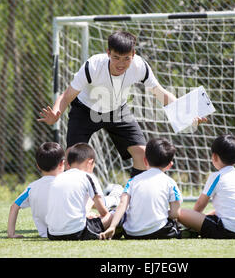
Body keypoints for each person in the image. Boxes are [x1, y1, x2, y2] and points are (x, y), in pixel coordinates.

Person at [38, 31, 206, 178]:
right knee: (74, 160)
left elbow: (160, 93)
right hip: (85, 110)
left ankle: (132, 200)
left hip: (117, 110)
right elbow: (67, 95)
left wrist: (187, 113)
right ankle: (78, 208)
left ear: (133, 54)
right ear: (108, 53)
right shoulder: (94, 66)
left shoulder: (140, 66)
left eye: (126, 58)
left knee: (143, 154)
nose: (121, 63)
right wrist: (56, 112)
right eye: (116, 57)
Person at [99, 138, 182, 240]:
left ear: (145, 161)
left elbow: (122, 204)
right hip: (160, 232)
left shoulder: (132, 181)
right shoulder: (170, 183)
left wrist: (112, 226)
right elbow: (175, 213)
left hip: (131, 234)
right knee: (177, 224)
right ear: (170, 165)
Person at [177, 134, 235, 239]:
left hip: (226, 231)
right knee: (212, 213)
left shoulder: (217, 176)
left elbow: (200, 205)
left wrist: (192, 221)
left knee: (181, 213)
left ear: (214, 156)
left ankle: (191, 230)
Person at [46, 142, 112, 240]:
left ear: (68, 163)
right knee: (113, 216)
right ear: (90, 162)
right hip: (77, 232)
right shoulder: (88, 176)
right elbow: (104, 213)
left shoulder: (57, 178)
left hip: (52, 234)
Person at [7, 142, 65, 238]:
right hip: (70, 230)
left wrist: (11, 234)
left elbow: (14, 207)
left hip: (46, 235)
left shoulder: (32, 188)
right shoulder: (67, 184)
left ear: (38, 166)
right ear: (62, 163)